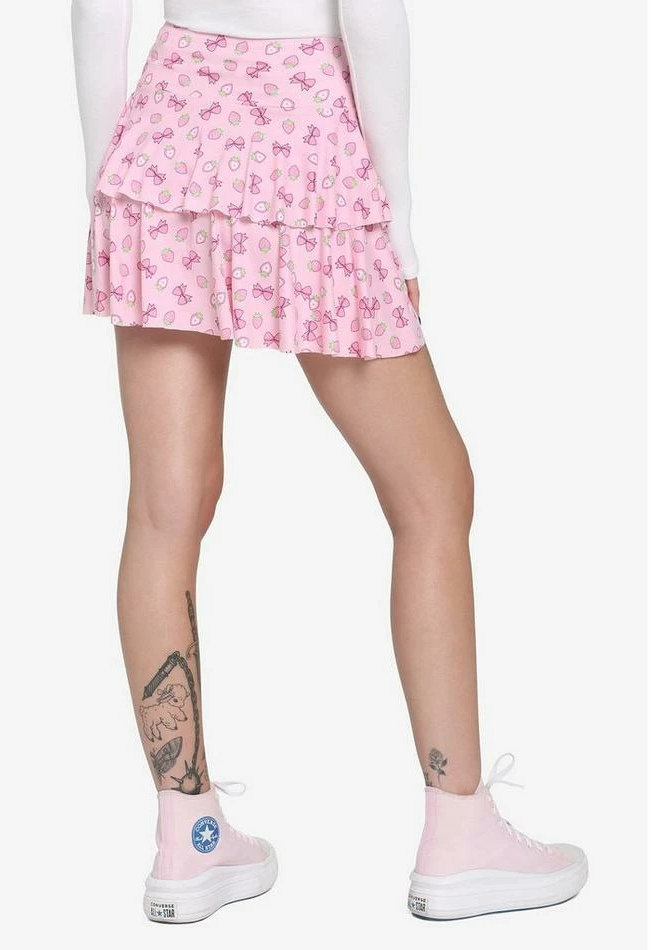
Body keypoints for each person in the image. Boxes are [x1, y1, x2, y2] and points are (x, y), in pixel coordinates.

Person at [72, 0, 588, 924]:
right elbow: (372, 20)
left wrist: (107, 181)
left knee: (163, 509)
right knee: (433, 492)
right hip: (305, 139)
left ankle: (189, 839)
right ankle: (460, 831)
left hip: (165, 129)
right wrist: (399, 215)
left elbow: (97, 8)